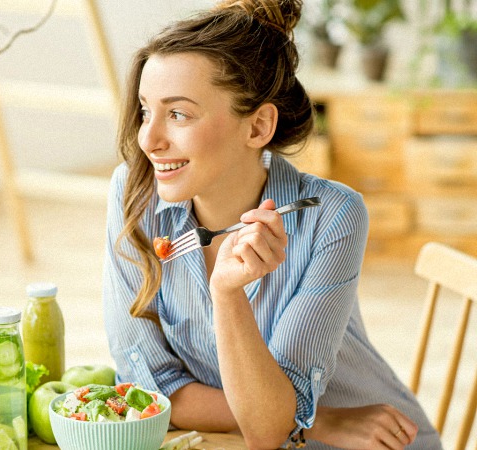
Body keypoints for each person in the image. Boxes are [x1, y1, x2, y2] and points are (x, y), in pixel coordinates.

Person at [101, 1, 441, 449]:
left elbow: (266, 431)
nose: (149, 138)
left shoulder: (331, 217)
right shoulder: (134, 193)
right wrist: (316, 421)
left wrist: (227, 293)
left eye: (178, 114)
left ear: (258, 126)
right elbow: (149, 387)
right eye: (146, 110)